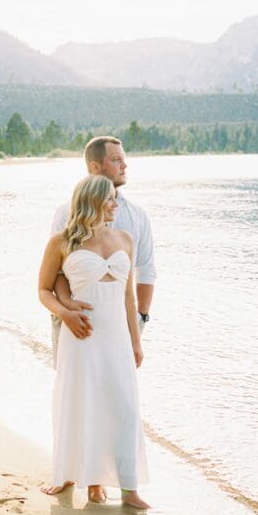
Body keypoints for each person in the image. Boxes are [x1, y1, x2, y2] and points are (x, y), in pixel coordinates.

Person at [38, 174, 151, 509]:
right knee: (82, 403)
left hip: (116, 336)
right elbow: (44, 290)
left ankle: (129, 489)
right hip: (81, 336)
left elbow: (129, 297)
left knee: (123, 407)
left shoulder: (125, 239)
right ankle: (88, 481)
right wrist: (66, 314)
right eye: (111, 199)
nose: (117, 204)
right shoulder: (61, 242)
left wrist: (136, 342)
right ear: (93, 201)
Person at [49, 136, 155, 361]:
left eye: (124, 159)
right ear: (95, 167)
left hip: (120, 321)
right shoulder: (66, 213)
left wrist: (141, 319)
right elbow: (55, 272)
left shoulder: (137, 216)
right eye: (116, 160)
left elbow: (145, 270)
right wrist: (66, 311)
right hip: (76, 320)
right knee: (74, 386)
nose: (124, 166)